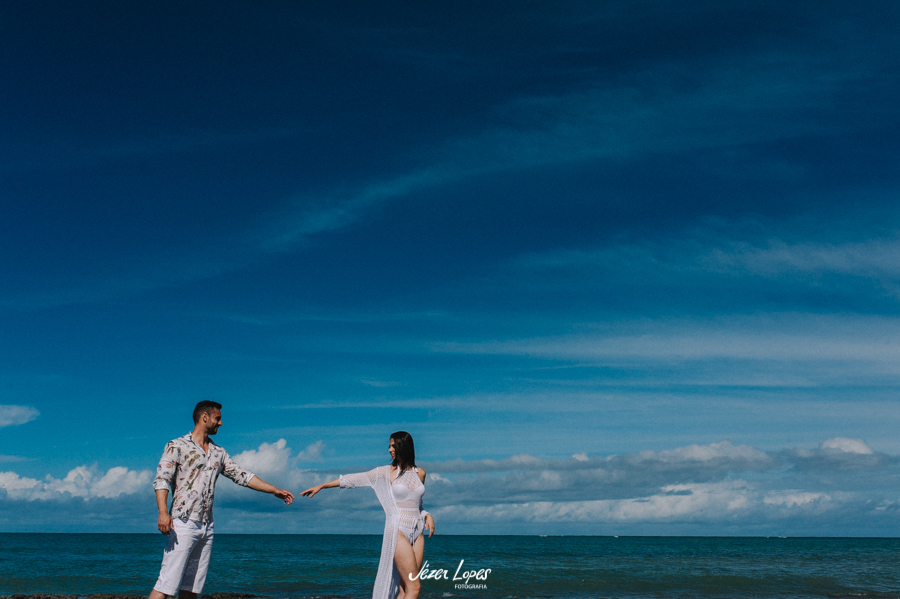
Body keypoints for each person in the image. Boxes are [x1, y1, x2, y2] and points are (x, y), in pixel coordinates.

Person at [148, 401, 294, 599]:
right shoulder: (176, 446)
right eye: (218, 418)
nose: (221, 423)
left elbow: (241, 475)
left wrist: (273, 490)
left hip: (207, 526)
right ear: (204, 417)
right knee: (165, 585)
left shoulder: (219, 452)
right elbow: (162, 480)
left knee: (191, 589)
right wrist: (163, 513)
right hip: (182, 523)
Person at [301, 431, 435, 599]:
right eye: (389, 446)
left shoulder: (420, 473)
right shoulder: (385, 473)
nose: (389, 450)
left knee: (404, 587)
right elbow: (353, 479)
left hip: (417, 531)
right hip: (398, 530)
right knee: (414, 587)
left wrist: (427, 514)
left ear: (404, 446)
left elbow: (416, 502)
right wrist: (322, 485)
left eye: (393, 446)